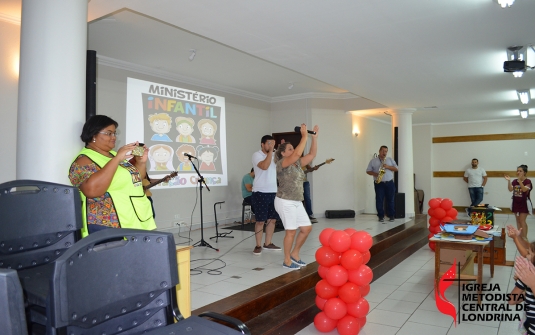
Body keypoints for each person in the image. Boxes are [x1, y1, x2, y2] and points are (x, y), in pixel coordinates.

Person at [68, 115, 156, 237]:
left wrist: (141, 162)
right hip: (108, 224)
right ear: (93, 135)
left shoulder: (114, 155)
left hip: (134, 217)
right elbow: (91, 190)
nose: (113, 137)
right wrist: (117, 159)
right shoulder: (84, 160)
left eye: (114, 133)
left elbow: (135, 180)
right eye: (108, 133)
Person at [274, 124, 318, 269]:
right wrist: (304, 136)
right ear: (283, 153)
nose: (293, 151)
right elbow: (298, 154)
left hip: (296, 201)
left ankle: (295, 254)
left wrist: (313, 138)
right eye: (290, 149)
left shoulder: (297, 164)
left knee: (306, 229)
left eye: (293, 148)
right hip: (285, 201)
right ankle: (287, 260)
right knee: (291, 231)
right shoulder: (282, 163)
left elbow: (312, 155)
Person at [251, 135, 282, 255]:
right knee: (260, 221)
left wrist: (280, 150)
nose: (270, 146)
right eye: (269, 143)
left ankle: (268, 243)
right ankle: (258, 245)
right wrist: (271, 152)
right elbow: (264, 166)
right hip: (260, 192)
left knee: (272, 220)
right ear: (262, 144)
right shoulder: (256, 155)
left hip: (273, 191)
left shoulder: (275, 155)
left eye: (272, 143)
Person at [366, 145, 398, 223]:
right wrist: (376, 174)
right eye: (383, 151)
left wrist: (388, 167)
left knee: (390, 200)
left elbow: (396, 169)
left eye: (386, 151)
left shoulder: (390, 160)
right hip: (379, 183)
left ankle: (391, 216)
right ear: (379, 151)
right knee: (379, 200)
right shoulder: (373, 161)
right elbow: (368, 171)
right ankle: (380, 216)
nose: (384, 153)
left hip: (389, 182)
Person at [505, 165, 532, 240]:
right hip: (516, 202)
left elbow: (524, 190)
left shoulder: (528, 181)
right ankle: (519, 236)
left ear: (524, 172)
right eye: (517, 171)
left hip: (524, 203)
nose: (518, 172)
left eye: (520, 171)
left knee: (522, 220)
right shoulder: (514, 181)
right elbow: (510, 189)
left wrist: (520, 181)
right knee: (517, 220)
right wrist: (509, 181)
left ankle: (525, 237)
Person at [511, 254, 535, 335]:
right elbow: (511, 300)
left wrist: (532, 284)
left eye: (529, 253)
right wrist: (527, 294)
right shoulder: (527, 276)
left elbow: (511, 300)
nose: (526, 255)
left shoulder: (528, 277)